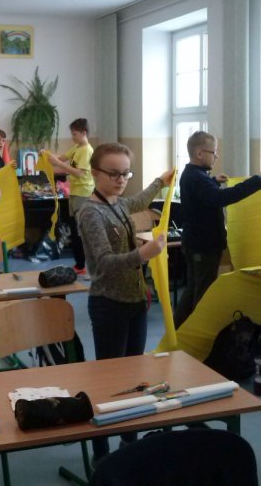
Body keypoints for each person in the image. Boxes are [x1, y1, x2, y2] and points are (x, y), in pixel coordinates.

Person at [77, 142, 174, 463]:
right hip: (109, 305)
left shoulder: (117, 202)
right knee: (109, 382)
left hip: (134, 302)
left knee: (134, 378)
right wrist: (143, 254)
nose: (121, 180)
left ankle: (128, 445)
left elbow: (139, 201)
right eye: (114, 173)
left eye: (126, 173)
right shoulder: (90, 212)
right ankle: (101, 452)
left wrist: (160, 181)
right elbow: (104, 263)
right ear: (95, 173)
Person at [174, 131, 261, 329]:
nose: (216, 156)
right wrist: (256, 181)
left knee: (193, 289)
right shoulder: (198, 178)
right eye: (213, 152)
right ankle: (196, 333)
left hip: (195, 242)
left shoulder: (193, 174)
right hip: (203, 246)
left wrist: (213, 181)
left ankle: (178, 332)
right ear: (199, 154)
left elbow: (204, 194)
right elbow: (220, 198)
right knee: (202, 292)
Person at [43, 118, 94, 275]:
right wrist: (46, 155)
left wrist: (57, 163)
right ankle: (80, 264)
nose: (72, 137)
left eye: (74, 134)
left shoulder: (86, 150)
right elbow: (61, 158)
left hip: (83, 194)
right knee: (75, 228)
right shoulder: (77, 147)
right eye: (72, 134)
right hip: (75, 193)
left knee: (80, 232)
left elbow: (80, 173)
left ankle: (82, 265)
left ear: (84, 133)